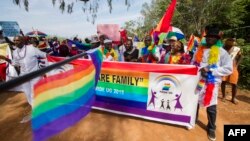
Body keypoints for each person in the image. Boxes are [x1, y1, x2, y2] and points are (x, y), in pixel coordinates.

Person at [192, 24, 233, 141]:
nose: (209, 38)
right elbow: (193, 63)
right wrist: (197, 70)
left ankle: (211, 128)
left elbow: (228, 69)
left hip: (212, 83)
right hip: (198, 81)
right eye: (208, 36)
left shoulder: (222, 52)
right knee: (195, 102)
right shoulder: (199, 50)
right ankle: (193, 119)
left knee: (211, 106)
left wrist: (211, 70)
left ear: (217, 39)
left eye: (213, 37)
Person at [0, 35, 47, 123]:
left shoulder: (31, 48)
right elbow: (15, 63)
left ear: (23, 41)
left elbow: (44, 55)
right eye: (14, 40)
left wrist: (47, 63)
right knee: (28, 94)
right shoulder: (15, 52)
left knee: (34, 93)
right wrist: (5, 58)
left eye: (17, 40)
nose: (15, 42)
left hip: (35, 75)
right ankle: (35, 109)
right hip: (24, 76)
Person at [221, 38, 242, 104]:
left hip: (233, 67)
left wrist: (237, 65)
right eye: (230, 41)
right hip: (224, 66)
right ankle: (224, 96)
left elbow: (241, 57)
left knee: (234, 83)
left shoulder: (236, 49)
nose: (231, 42)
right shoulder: (222, 48)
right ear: (227, 42)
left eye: (232, 41)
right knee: (223, 81)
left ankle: (233, 98)